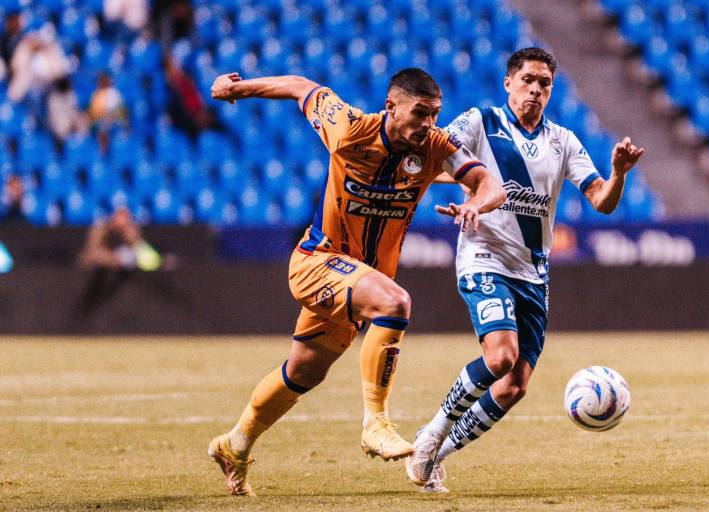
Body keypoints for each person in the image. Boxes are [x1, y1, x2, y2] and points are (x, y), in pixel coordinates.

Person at [206, 68, 506, 496]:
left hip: (359, 283)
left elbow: (490, 184)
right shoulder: (347, 128)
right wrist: (237, 88)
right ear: (391, 106)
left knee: (305, 371)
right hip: (318, 261)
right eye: (420, 113)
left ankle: (234, 444)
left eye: (435, 114)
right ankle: (376, 423)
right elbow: (301, 86)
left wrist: (476, 203)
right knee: (395, 303)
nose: (429, 124)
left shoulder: (437, 147)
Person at [404, 47, 645, 493]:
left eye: (545, 83)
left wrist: (619, 173)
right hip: (484, 256)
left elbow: (602, 202)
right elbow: (438, 159)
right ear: (509, 82)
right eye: (528, 80)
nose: (536, 89)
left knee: (515, 386)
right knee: (501, 357)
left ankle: (437, 452)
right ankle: (433, 431)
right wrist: (469, 196)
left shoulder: (564, 141)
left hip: (534, 273)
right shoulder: (480, 122)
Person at [78, 206, 161, 271]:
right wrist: (116, 259)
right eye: (120, 216)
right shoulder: (100, 228)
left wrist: (133, 239)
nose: (123, 220)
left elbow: (145, 255)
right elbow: (92, 253)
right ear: (113, 217)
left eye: (126, 217)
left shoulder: (130, 230)